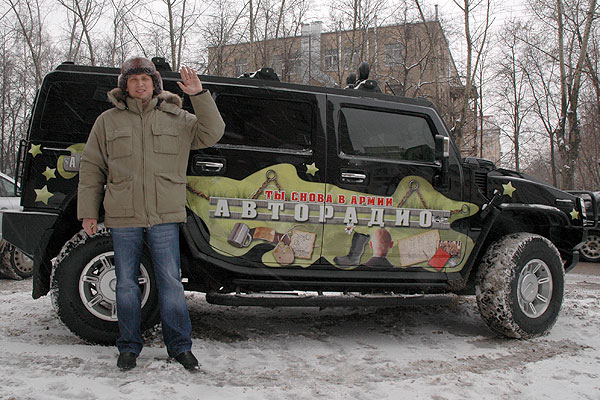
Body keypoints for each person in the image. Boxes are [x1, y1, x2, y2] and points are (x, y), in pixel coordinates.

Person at [77, 57, 225, 372]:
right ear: (125, 86)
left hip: (165, 215)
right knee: (126, 284)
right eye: (133, 80)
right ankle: (129, 347)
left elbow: (212, 132)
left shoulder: (177, 117)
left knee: (170, 282)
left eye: (145, 79)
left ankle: (180, 347)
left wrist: (199, 96)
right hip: (123, 214)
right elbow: (92, 167)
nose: (140, 85)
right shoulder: (108, 121)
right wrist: (88, 212)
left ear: (155, 84)